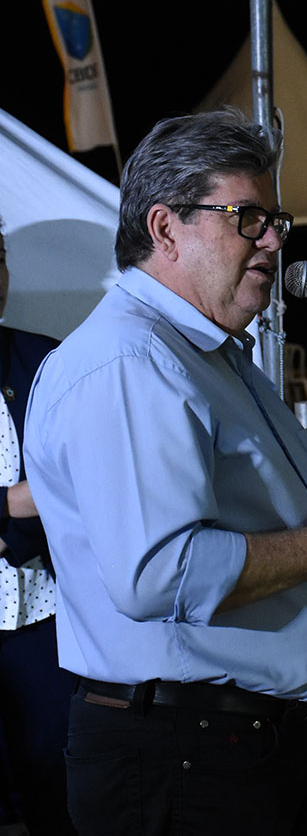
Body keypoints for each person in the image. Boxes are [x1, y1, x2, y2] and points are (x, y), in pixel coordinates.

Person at [22, 110, 307, 835]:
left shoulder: (207, 352)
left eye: (276, 220)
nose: (273, 240)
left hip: (228, 750)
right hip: (184, 759)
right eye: (247, 216)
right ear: (166, 228)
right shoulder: (131, 363)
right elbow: (160, 572)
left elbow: (246, 516)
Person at [0, 219, 74, 835]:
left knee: (55, 778)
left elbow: (78, 476)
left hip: (41, 611)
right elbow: (29, 495)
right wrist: (11, 504)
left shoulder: (41, 357)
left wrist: (14, 524)